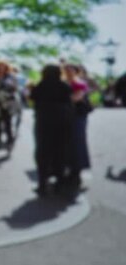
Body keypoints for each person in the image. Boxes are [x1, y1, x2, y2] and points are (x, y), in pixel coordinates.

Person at [29, 64, 73, 197]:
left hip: (43, 121)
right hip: (61, 121)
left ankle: (42, 183)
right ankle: (60, 182)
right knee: (60, 151)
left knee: (42, 152)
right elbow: (69, 102)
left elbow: (32, 99)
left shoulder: (40, 86)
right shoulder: (64, 86)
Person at [62, 63, 92, 192]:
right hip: (65, 117)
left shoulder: (79, 83)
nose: (68, 72)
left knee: (77, 141)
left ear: (76, 71)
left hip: (77, 116)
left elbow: (76, 98)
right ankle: (69, 169)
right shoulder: (62, 83)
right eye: (66, 70)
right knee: (66, 143)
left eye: (71, 70)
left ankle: (77, 171)